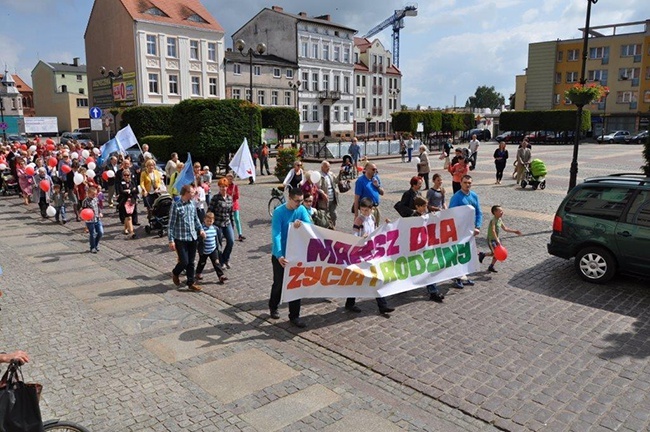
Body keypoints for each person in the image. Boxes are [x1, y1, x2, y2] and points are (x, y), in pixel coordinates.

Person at [269, 187, 312, 328]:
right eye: (297, 201)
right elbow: (276, 234)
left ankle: (294, 316)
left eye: (301, 201)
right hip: (280, 255)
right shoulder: (279, 212)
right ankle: (273, 305)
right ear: (289, 198)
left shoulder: (301, 210)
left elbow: (310, 226)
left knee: (295, 284)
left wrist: (303, 225)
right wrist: (280, 255)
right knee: (279, 284)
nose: (299, 204)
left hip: (295, 254)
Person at [345, 198, 395, 315]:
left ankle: (382, 305)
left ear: (371, 210)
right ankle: (350, 302)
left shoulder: (372, 218)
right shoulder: (359, 220)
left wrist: (386, 225)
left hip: (370, 252)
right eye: (362, 210)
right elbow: (354, 234)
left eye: (366, 210)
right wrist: (362, 237)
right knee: (360, 279)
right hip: (361, 253)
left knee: (374, 278)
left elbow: (375, 231)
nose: (364, 212)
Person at [169, 184, 206, 291]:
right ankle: (175, 272)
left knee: (191, 261)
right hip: (180, 238)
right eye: (192, 192)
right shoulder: (176, 205)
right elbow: (171, 225)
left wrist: (201, 229)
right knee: (184, 261)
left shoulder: (192, 204)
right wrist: (171, 240)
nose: (194, 194)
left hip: (192, 237)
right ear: (186, 193)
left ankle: (191, 283)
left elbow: (196, 219)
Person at [448, 174, 482, 289]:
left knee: (468, 253)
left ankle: (464, 275)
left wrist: (478, 226)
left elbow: (478, 212)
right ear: (461, 183)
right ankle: (457, 277)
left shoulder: (474, 196)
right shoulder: (456, 197)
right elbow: (451, 214)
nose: (468, 185)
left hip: (471, 231)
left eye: (469, 183)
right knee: (457, 254)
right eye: (465, 183)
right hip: (459, 231)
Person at [412, 196, 445, 302]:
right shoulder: (412, 217)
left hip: (426, 247)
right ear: (417, 207)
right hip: (416, 248)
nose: (425, 208)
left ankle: (433, 291)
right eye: (423, 206)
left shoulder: (426, 215)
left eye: (426, 205)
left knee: (430, 267)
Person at [479, 205, 522, 273]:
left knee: (497, 254)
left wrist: (515, 231)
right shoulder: (493, 220)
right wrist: (497, 239)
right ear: (495, 212)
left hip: (496, 240)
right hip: (491, 240)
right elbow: (493, 230)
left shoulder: (499, 220)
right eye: (500, 211)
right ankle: (483, 255)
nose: (502, 212)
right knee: (496, 254)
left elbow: (505, 228)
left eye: (502, 211)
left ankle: (490, 265)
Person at [208, 178, 235, 269]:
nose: (223, 188)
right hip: (217, 224)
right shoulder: (215, 198)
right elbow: (210, 211)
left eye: (225, 187)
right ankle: (221, 261)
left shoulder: (229, 198)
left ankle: (226, 258)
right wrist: (210, 223)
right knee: (218, 244)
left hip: (227, 223)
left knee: (231, 241)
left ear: (227, 187)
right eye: (221, 187)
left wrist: (232, 223)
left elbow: (231, 213)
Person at [195, 211, 228, 284]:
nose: (209, 223)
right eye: (207, 221)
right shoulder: (202, 229)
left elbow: (218, 238)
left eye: (211, 221)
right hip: (204, 250)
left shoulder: (215, 228)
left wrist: (218, 247)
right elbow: (198, 239)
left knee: (216, 263)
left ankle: (221, 276)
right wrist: (201, 237)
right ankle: (198, 273)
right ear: (204, 220)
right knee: (202, 263)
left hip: (213, 249)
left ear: (213, 221)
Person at [116, 169, 138, 239]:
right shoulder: (121, 183)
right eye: (124, 175)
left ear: (130, 175)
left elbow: (136, 190)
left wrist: (130, 191)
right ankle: (132, 232)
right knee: (128, 217)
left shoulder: (132, 182)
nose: (126, 176)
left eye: (127, 175)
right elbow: (121, 191)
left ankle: (125, 228)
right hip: (124, 201)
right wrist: (129, 191)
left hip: (132, 201)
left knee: (128, 216)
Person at [82, 185, 103, 253]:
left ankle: (96, 244)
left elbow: (98, 206)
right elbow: (84, 211)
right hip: (90, 221)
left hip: (97, 219)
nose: (94, 195)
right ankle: (92, 247)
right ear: (88, 193)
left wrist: (99, 213)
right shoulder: (85, 201)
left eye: (95, 194)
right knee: (93, 233)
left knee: (100, 232)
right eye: (92, 194)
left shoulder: (96, 199)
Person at [317, 161, 339, 228]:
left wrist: (341, 173)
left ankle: (333, 227)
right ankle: (325, 229)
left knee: (334, 215)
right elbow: (317, 187)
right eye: (326, 167)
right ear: (322, 167)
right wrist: (323, 193)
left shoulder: (331, 174)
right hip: (324, 200)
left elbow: (337, 181)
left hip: (333, 198)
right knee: (324, 215)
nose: (328, 168)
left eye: (329, 167)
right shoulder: (319, 175)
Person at [225, 172, 245, 241]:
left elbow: (237, 197)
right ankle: (230, 234)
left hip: (234, 204)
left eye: (231, 179)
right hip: (228, 205)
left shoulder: (235, 186)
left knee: (237, 219)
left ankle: (240, 234)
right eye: (228, 179)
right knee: (229, 220)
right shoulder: (225, 186)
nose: (230, 180)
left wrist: (235, 194)